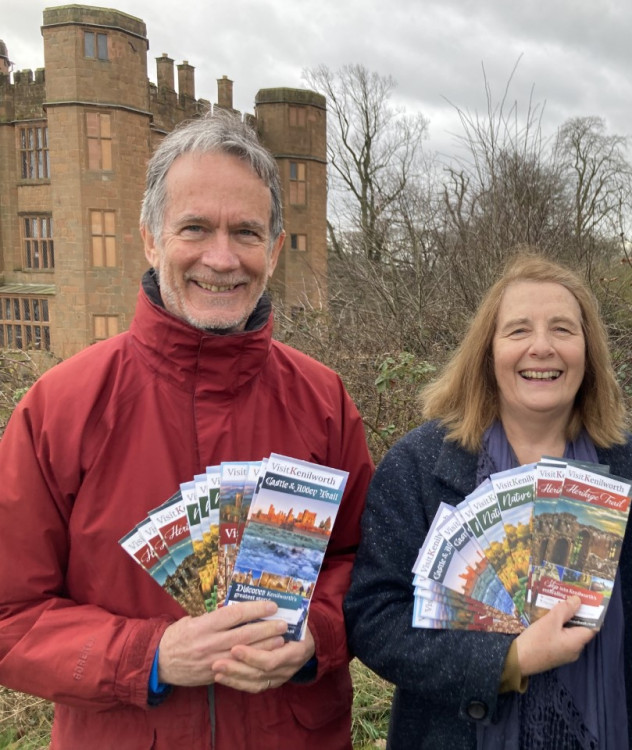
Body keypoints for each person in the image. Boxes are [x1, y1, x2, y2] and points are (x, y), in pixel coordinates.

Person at [0, 110, 374, 749]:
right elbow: (10, 616)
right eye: (195, 228)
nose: (222, 258)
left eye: (246, 232)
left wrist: (318, 635)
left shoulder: (324, 402)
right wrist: (149, 654)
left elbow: (362, 566)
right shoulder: (59, 409)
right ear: (150, 238)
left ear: (276, 249)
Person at [344, 254, 632, 749]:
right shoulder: (418, 466)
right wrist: (509, 661)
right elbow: (374, 618)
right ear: (488, 351)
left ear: (588, 352)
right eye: (518, 331)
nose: (541, 347)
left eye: (562, 329)